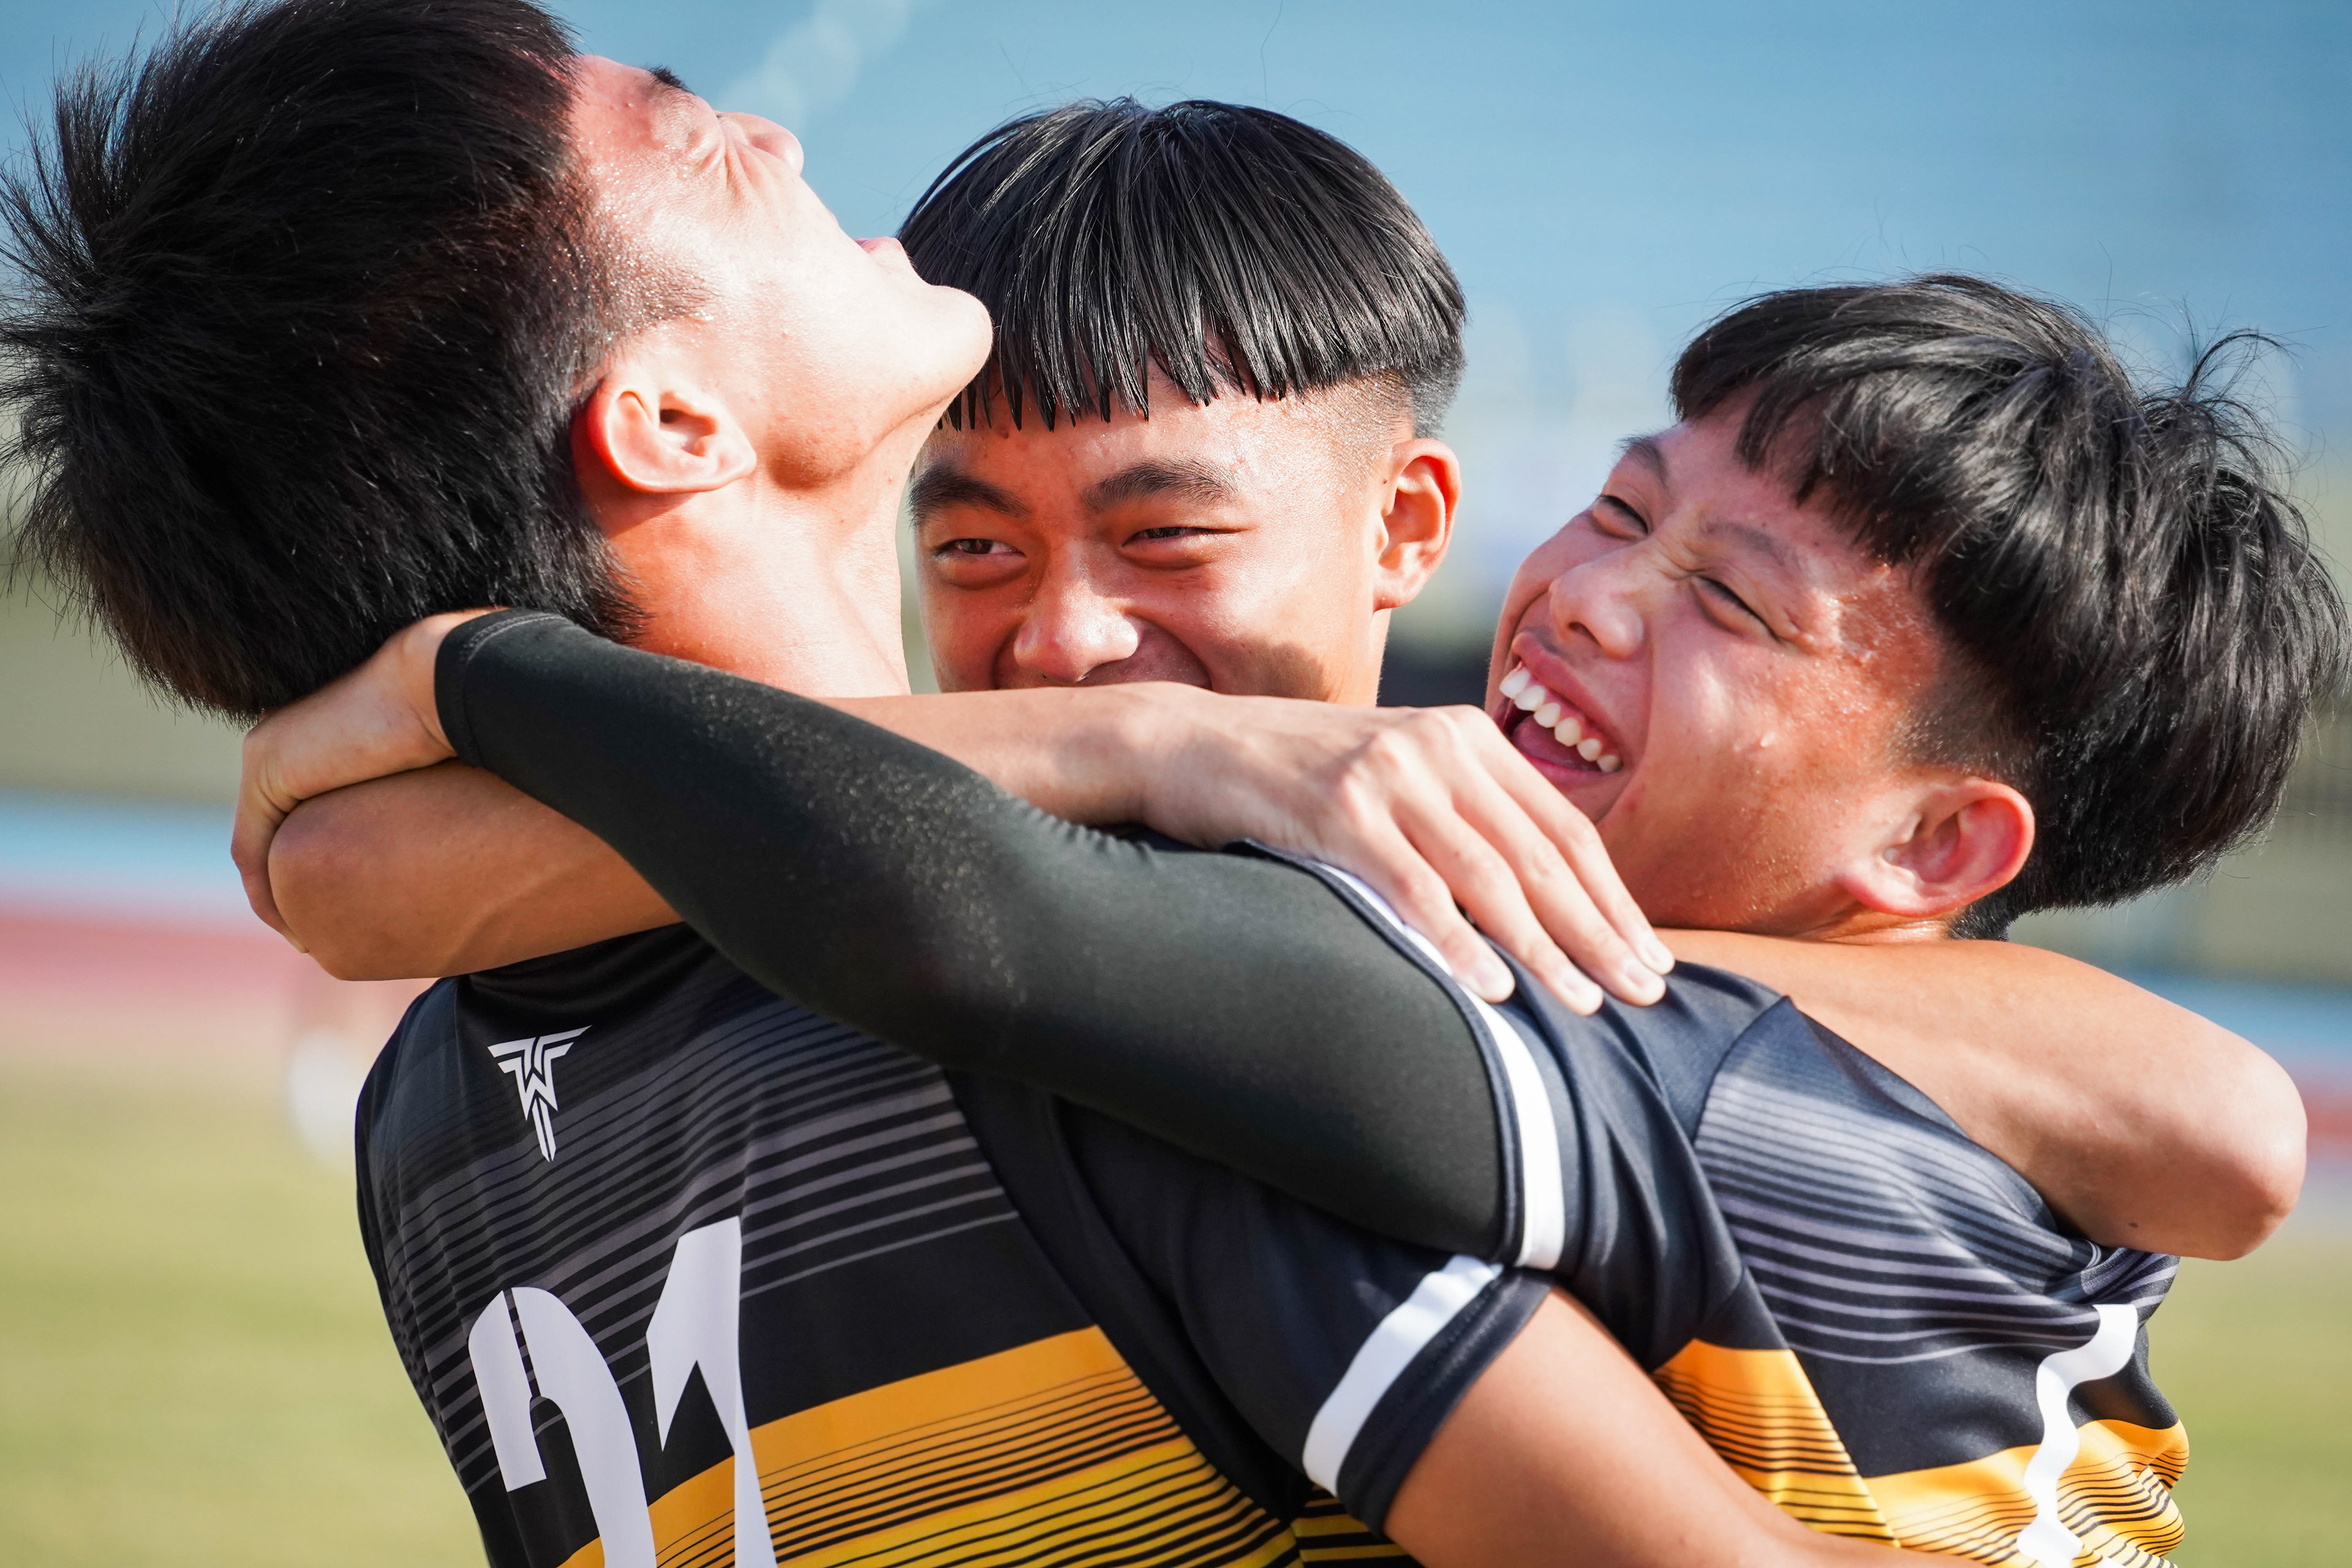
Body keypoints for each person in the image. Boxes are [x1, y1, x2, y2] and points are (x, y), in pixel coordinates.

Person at [0, 7, 1983, 1567]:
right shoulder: (1103, 995)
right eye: (698, 133)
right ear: (672, 422)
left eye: (1166, 540)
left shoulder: (425, 1113)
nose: (782, 140)